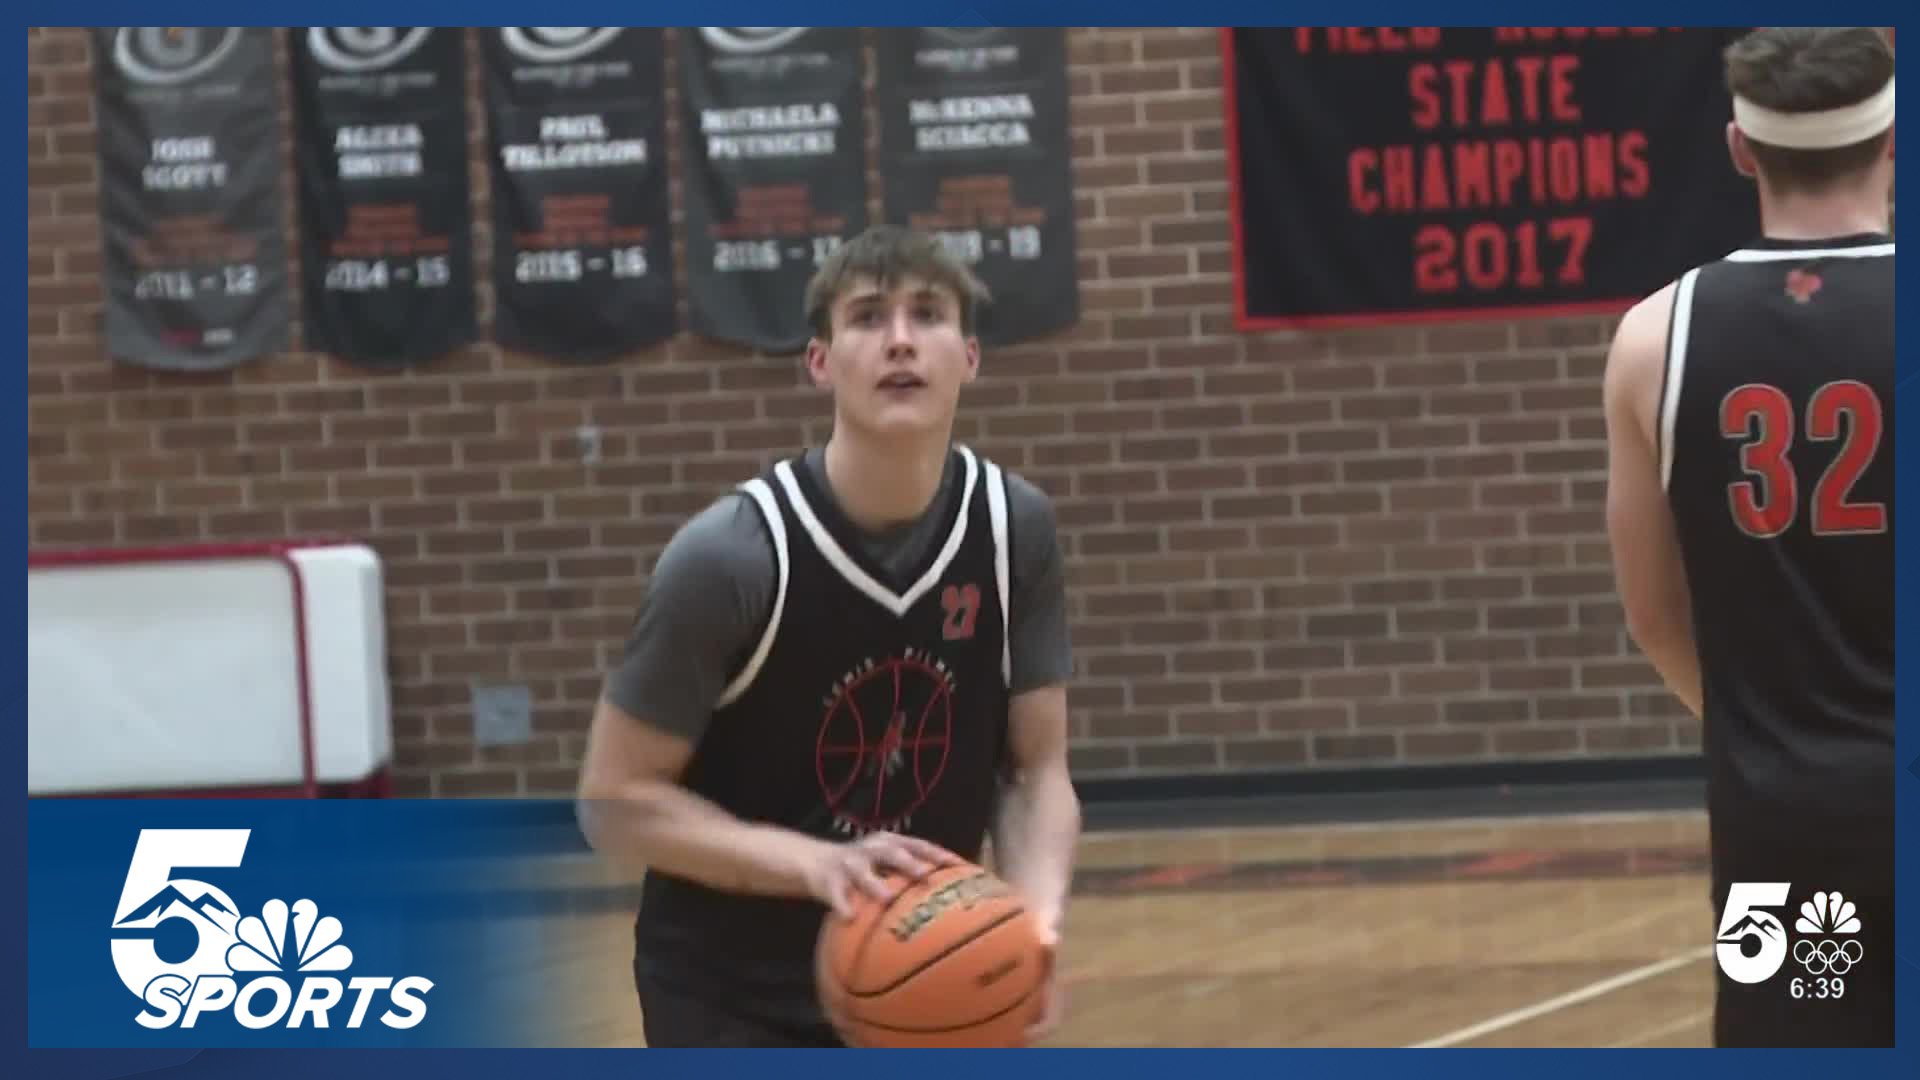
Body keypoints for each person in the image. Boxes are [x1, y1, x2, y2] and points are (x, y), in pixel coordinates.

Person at [576, 225, 1082, 1048]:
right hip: (729, 996)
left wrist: (1032, 924)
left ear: (970, 357)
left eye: (928, 314)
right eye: (868, 317)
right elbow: (613, 802)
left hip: (924, 978)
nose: (900, 340)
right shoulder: (731, 558)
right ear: (819, 362)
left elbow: (1034, 772)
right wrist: (817, 865)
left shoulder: (1013, 531)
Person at [1601, 27, 1894, 1048]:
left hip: (1777, 819)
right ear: (1894, 142)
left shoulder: (1654, 336)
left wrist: (1764, 733)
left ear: (1740, 148)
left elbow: (1652, 614)